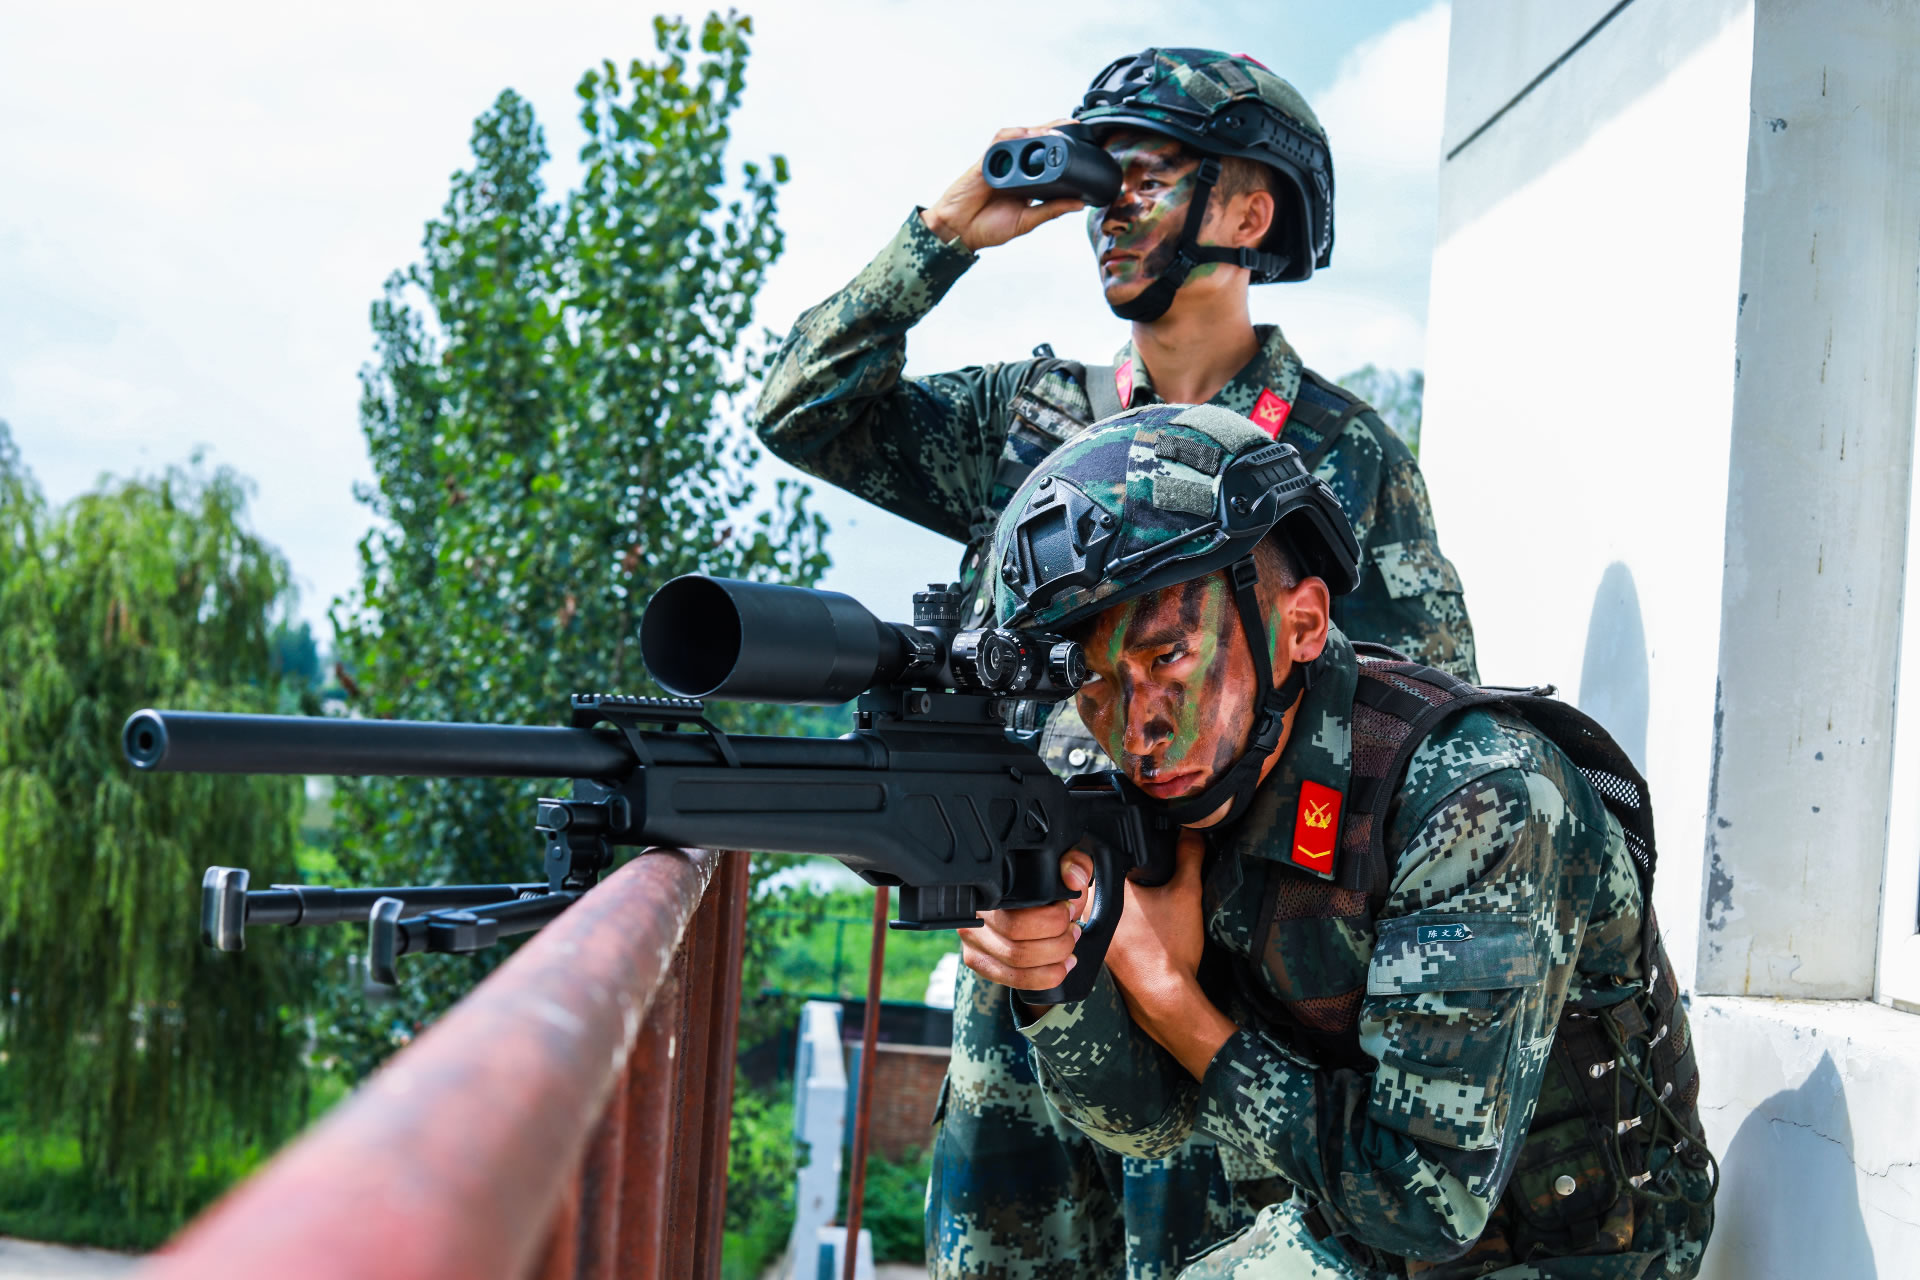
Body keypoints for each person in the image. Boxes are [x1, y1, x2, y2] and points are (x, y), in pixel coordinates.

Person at [754, 48, 1480, 1275]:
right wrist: (946, 232)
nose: (1106, 209)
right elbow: (802, 407)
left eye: (1142, 174)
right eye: (1099, 181)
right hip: (1023, 973)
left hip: (1210, 975)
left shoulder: (1343, 457)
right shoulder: (1037, 421)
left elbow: (1414, 721)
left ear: (1247, 211)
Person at [960, 401, 1716, 1278]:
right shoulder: (1187, 788)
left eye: (1170, 659)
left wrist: (1177, 1006)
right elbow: (1147, 1124)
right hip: (1364, 1229)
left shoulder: (1479, 799)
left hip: (1573, 1254)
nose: (1138, 730)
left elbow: (1427, 1202)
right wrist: (1063, 987)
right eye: (1097, 682)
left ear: (1302, 624)